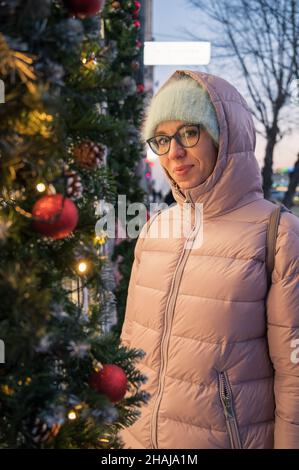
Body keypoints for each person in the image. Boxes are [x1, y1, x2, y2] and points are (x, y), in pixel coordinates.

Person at [119, 70, 299, 449]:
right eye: (162, 139)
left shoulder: (277, 234)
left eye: (189, 132)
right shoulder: (155, 229)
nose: (175, 152)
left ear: (225, 136)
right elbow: (130, 344)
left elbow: (293, 374)